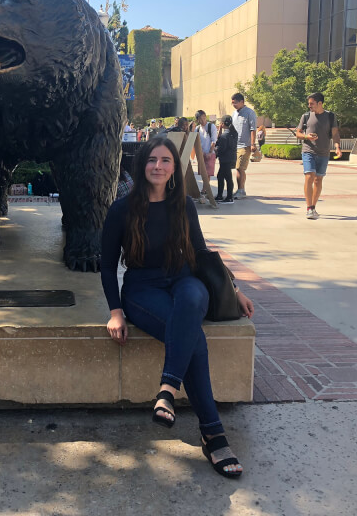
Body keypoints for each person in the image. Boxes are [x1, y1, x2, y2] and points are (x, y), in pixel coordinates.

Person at [101, 137, 254, 478]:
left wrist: (235, 289)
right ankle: (213, 434)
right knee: (193, 338)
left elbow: (200, 253)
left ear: (174, 167)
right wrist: (115, 311)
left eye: (165, 160)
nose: (158, 166)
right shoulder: (121, 209)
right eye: (152, 160)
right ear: (142, 165)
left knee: (191, 298)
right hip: (143, 289)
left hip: (184, 280)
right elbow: (107, 265)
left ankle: (167, 390)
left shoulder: (183, 204)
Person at [296, 92, 342, 219]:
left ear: (320, 103)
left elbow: (335, 133)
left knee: (318, 179)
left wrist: (337, 146)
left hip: (324, 152)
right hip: (308, 150)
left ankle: (313, 207)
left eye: (312, 104)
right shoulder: (305, 116)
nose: (309, 106)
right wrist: (306, 136)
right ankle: (309, 208)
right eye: (309, 104)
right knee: (309, 175)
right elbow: (298, 133)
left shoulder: (331, 116)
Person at [230, 93, 258, 198]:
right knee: (238, 168)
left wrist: (252, 144)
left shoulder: (250, 113)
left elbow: (252, 129)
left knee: (240, 168)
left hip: (245, 145)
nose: (234, 105)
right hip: (235, 145)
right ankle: (241, 189)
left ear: (242, 102)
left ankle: (241, 191)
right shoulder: (234, 114)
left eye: (235, 103)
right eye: (232, 103)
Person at [214, 116, 237, 203]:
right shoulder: (234, 133)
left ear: (222, 124)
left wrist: (216, 150)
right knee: (223, 176)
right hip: (231, 158)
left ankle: (228, 197)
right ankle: (222, 195)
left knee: (225, 177)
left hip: (225, 159)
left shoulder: (225, 136)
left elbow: (221, 148)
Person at [195, 110, 218, 182]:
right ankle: (205, 188)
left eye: (203, 118)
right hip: (201, 153)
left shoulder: (211, 126)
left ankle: (205, 189)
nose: (202, 120)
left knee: (207, 173)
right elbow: (196, 141)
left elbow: (214, 141)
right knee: (202, 173)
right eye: (200, 119)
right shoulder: (197, 128)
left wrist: (210, 152)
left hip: (209, 153)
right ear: (197, 120)